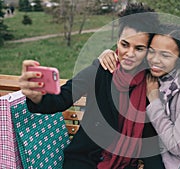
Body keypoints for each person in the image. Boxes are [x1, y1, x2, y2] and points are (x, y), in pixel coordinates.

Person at [19, 3, 165, 169]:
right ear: (117, 41)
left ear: (148, 50)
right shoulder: (101, 69)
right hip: (84, 160)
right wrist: (38, 97)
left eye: (139, 48)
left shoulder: (150, 85)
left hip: (123, 165)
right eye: (124, 45)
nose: (129, 54)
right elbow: (63, 97)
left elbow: (150, 145)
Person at [100, 24, 180, 169]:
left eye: (165, 55)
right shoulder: (155, 77)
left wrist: (154, 100)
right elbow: (130, 56)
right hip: (168, 163)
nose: (155, 60)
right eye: (152, 52)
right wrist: (108, 53)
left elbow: (176, 145)